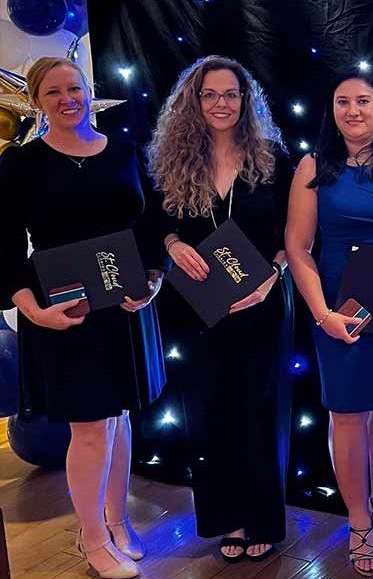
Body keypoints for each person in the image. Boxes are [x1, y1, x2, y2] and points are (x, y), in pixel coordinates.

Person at [0, 57, 165, 579]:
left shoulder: (123, 150)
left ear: (89, 91)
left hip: (123, 305)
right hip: (63, 310)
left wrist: (153, 281)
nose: (67, 99)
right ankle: (92, 537)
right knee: (90, 427)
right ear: (36, 101)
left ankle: (117, 521)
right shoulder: (21, 163)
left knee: (118, 418)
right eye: (53, 92)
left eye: (74, 88)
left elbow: (150, 226)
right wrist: (32, 312)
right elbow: (4, 246)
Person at [147, 55, 293, 563]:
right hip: (196, 308)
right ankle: (226, 518)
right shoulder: (171, 159)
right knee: (209, 413)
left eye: (231, 94)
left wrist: (274, 275)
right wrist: (172, 244)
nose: (220, 103)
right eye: (209, 94)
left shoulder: (274, 158)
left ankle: (263, 520)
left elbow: (295, 233)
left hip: (260, 303)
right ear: (194, 100)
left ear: (246, 100)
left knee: (259, 412)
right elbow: (153, 224)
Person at [285, 71, 373, 577]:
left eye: (363, 101)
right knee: (346, 414)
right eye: (342, 102)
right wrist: (322, 314)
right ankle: (359, 521)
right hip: (337, 311)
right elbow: (298, 247)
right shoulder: (313, 165)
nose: (353, 111)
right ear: (332, 110)